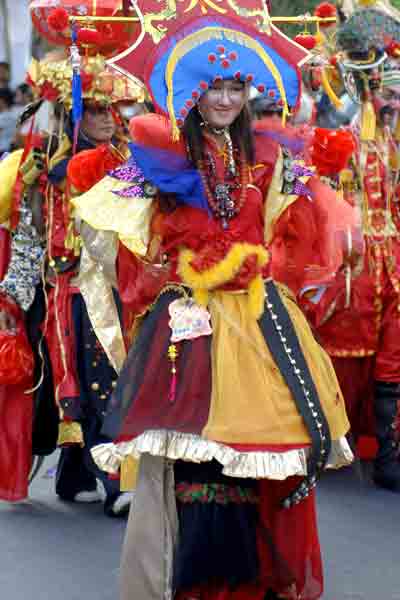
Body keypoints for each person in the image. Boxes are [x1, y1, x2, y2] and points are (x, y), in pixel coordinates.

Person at [74, 15, 353, 600]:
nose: (224, 99)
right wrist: (163, 270)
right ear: (189, 92)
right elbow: (107, 228)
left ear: (247, 91)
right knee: (197, 462)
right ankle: (198, 582)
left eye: (234, 88)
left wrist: (272, 255)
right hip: (189, 328)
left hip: (258, 325)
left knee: (256, 462)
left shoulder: (269, 155)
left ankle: (248, 579)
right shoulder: (161, 155)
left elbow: (313, 228)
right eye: (211, 88)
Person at [0, 49, 142, 514]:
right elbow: (28, 238)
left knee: (106, 380)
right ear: (71, 111)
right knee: (93, 382)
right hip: (67, 293)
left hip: (119, 289)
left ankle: (77, 473)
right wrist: (13, 300)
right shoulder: (41, 169)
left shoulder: (129, 160)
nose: (106, 118)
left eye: (111, 109)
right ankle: (116, 481)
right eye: (95, 109)